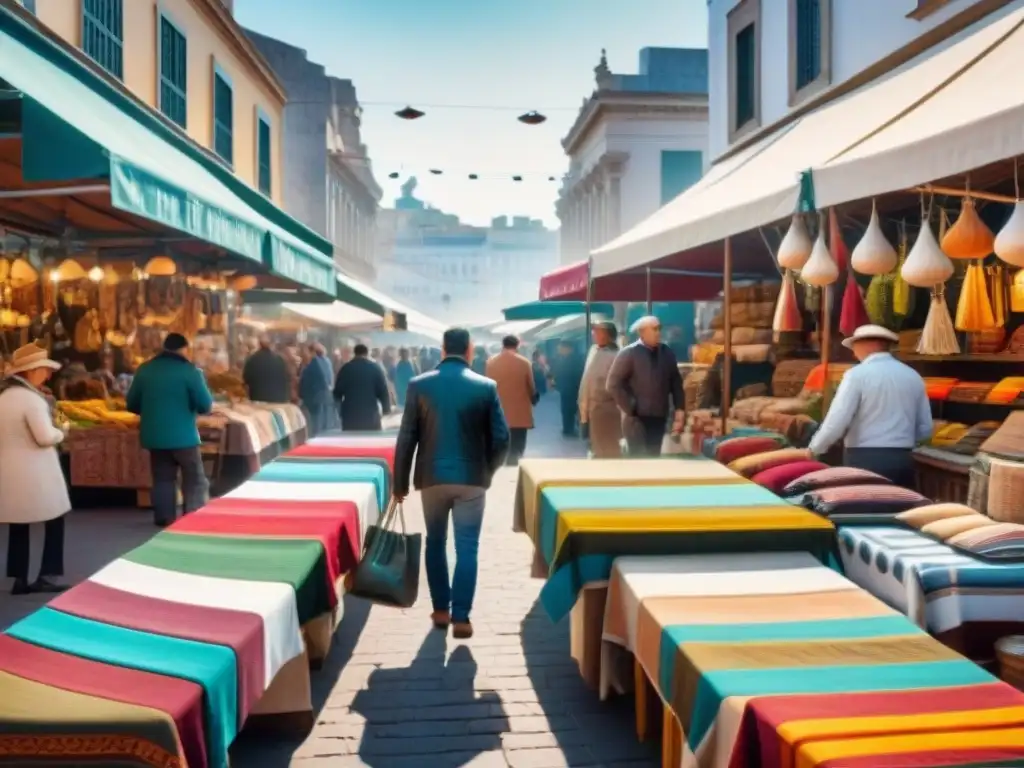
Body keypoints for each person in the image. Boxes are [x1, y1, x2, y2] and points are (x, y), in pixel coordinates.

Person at [393, 328, 510, 639]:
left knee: (435, 542)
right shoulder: (486, 386)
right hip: (472, 479)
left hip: (432, 478)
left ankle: (440, 610)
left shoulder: (419, 385)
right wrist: (488, 469)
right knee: (467, 547)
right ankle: (462, 617)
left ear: (443, 349)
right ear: (470, 350)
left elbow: (407, 438)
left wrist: (400, 483)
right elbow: (502, 438)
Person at [809, 324, 932, 486]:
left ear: (867, 345)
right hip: (902, 460)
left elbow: (837, 421)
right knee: (899, 509)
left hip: (864, 459)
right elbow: (925, 428)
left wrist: (814, 449)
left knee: (864, 508)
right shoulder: (913, 376)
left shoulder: (856, 375)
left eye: (854, 346)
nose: (853, 352)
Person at [0, 343, 69, 595]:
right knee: (54, 519)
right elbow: (44, 436)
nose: (47, 375)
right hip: (37, 473)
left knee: (19, 524)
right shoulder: (31, 400)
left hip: (10, 471)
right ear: (30, 372)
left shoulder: (4, 397)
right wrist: (61, 433)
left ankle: (19, 577)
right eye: (43, 370)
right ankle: (47, 574)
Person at [127, 333, 214, 527]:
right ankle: (193, 516)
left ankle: (164, 517)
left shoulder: (145, 370)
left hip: (155, 437)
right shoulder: (190, 372)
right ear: (184, 349)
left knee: (162, 478)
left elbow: (131, 404)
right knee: (193, 477)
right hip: (184, 437)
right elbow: (205, 405)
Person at [607, 315, 685, 457]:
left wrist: (680, 409)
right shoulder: (629, 353)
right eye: (654, 329)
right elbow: (613, 384)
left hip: (659, 417)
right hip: (636, 420)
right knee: (638, 460)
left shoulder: (666, 353)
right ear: (642, 332)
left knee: (654, 457)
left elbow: (676, 382)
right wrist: (630, 406)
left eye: (659, 328)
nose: (658, 332)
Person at [486, 335, 536, 465]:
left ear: (503, 345)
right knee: (518, 437)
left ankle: (501, 457)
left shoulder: (491, 362)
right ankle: (514, 458)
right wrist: (533, 397)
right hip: (519, 408)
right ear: (517, 345)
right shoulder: (524, 362)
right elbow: (530, 386)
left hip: (498, 408)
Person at [579, 321, 622, 458]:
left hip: (607, 409)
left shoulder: (617, 355)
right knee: (598, 449)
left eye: (598, 331)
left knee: (609, 450)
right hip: (593, 409)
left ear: (607, 336)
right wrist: (584, 413)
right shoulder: (594, 351)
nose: (594, 334)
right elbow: (587, 382)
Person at [334, 343, 391, 431]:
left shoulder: (346, 369)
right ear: (367, 353)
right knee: (370, 441)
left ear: (355, 353)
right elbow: (383, 391)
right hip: (370, 414)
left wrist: (338, 411)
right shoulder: (375, 368)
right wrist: (386, 409)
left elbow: (337, 392)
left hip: (350, 414)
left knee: (351, 441)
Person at [551, 340, 585, 437]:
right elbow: (557, 370)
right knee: (566, 409)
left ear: (568, 348)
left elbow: (578, 374)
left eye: (561, 348)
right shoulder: (562, 358)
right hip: (565, 388)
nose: (559, 350)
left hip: (573, 388)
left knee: (572, 409)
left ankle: (572, 428)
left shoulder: (576, 359)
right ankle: (567, 428)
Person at [242, 335, 290, 403]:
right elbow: (287, 378)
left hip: (258, 400)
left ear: (259, 345)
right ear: (271, 345)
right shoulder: (279, 360)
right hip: (278, 400)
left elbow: (245, 380)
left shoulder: (252, 360)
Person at [299, 343, 334, 436]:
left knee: (315, 422)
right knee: (324, 422)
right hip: (326, 396)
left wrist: (301, 394)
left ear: (312, 352)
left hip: (314, 397)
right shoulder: (327, 361)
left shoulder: (314, 363)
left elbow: (306, 381)